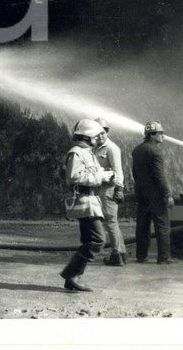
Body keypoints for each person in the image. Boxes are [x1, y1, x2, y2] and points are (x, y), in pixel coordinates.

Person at [59, 118, 116, 291]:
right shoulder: (76, 152)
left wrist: (104, 175)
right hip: (85, 202)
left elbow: (89, 174)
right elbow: (74, 177)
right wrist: (101, 177)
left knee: (89, 240)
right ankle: (71, 274)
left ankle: (73, 279)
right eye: (96, 136)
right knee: (98, 239)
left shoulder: (87, 152)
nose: (98, 139)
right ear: (88, 136)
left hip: (91, 201)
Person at [131, 121, 176, 264]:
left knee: (142, 227)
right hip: (156, 196)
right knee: (162, 226)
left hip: (142, 195)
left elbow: (135, 173)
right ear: (152, 135)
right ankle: (164, 257)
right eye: (160, 133)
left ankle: (141, 256)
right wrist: (167, 194)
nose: (163, 136)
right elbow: (159, 175)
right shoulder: (156, 151)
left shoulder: (137, 150)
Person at [93, 117, 127, 266]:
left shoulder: (112, 148)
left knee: (111, 222)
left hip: (110, 190)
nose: (100, 136)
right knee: (111, 222)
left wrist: (119, 189)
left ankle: (116, 254)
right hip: (100, 189)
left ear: (107, 132)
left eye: (103, 132)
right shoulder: (94, 148)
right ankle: (121, 253)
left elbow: (118, 170)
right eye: (97, 133)